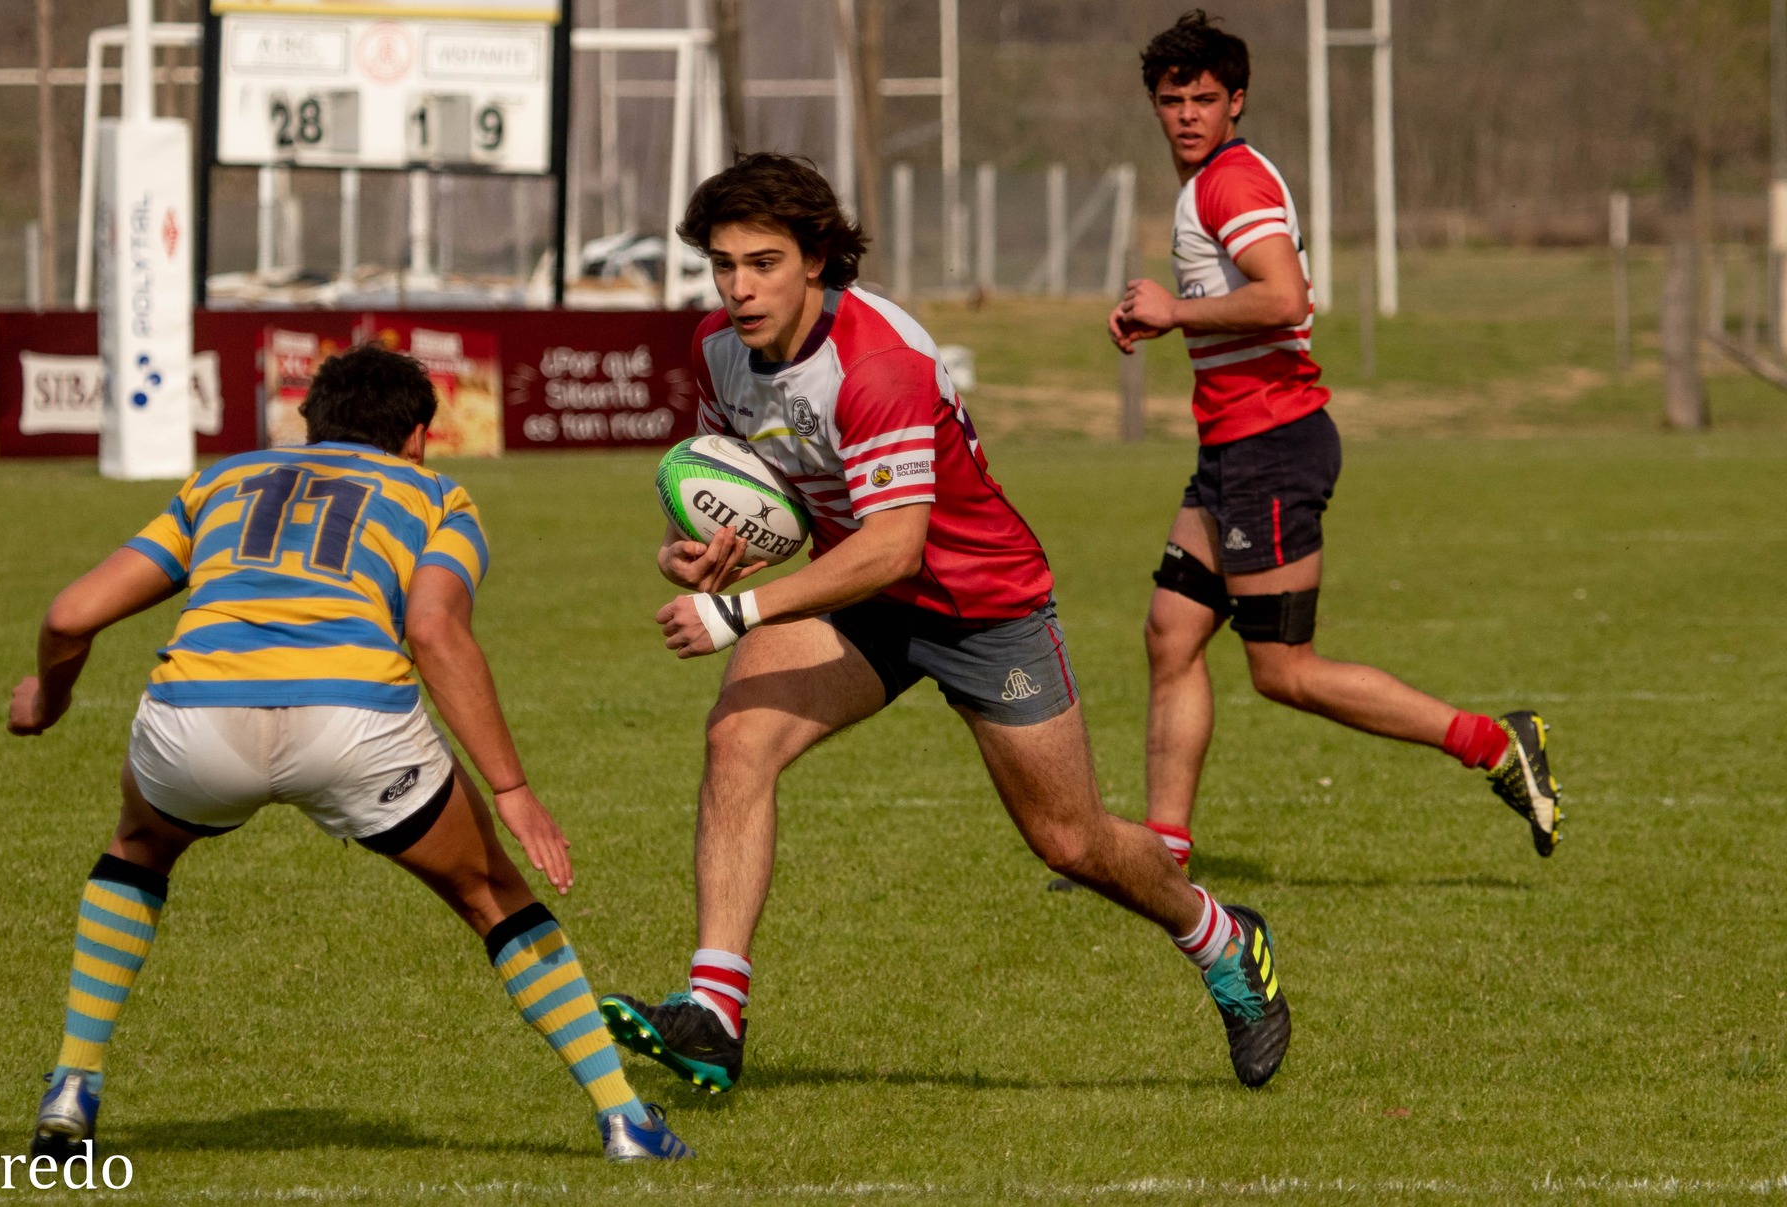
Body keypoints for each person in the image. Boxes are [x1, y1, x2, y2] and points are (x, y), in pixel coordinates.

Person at [597, 151, 1290, 1095]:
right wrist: (704, 555)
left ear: (816, 259)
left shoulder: (877, 359)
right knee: (740, 733)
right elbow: (773, 501)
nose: (738, 287)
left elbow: (899, 548)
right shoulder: (720, 349)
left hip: (981, 604)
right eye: (723, 264)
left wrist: (739, 609)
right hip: (864, 601)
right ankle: (714, 1009)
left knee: (1072, 842)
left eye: (762, 262)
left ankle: (1220, 937)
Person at [7, 345, 690, 1163]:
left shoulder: (223, 480)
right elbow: (434, 630)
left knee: (139, 850)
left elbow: (70, 613)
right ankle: (624, 1120)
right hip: (354, 723)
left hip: (198, 723)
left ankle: (73, 1085)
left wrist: (50, 696)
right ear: (417, 438)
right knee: (490, 892)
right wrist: (512, 789)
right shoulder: (438, 496)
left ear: (307, 424)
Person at [1108, 11, 1563, 872]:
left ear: (1236, 102)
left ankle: (1494, 743)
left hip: (1272, 446)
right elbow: (1247, 307)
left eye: (1206, 98)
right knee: (1172, 633)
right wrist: (1168, 317)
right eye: (1173, 100)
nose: (1188, 114)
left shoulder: (1227, 184)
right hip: (1233, 448)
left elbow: (1283, 298)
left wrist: (1174, 309)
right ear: (1155, 104)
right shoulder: (1209, 183)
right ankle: (1161, 853)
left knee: (1285, 670)